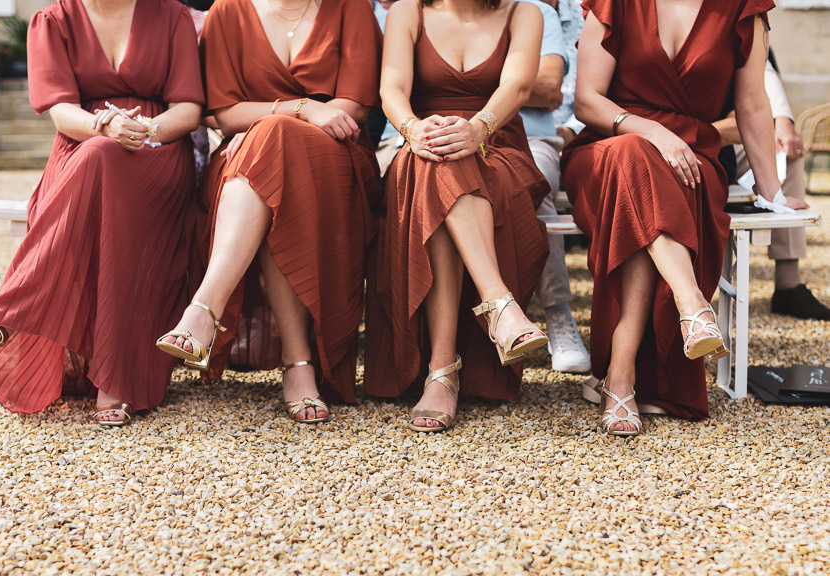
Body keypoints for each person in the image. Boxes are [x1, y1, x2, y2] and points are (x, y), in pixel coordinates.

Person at [561, 0, 803, 435]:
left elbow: (751, 104)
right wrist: (654, 133)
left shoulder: (745, 9)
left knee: (645, 203)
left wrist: (774, 195)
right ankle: (690, 301)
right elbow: (586, 102)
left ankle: (620, 372)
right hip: (608, 148)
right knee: (636, 158)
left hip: (690, 162)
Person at [0, 0, 204, 426]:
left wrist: (144, 130)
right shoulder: (51, 21)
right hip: (82, 143)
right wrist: (105, 127)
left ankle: (14, 305)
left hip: (158, 150)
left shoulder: (173, 16)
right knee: (100, 154)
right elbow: (60, 111)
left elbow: (188, 109)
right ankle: (114, 382)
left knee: (104, 157)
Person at [157, 0, 382, 423]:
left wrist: (290, 118)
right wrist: (302, 107)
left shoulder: (350, 7)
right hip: (247, 157)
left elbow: (353, 107)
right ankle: (299, 367)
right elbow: (223, 115)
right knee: (272, 165)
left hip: (336, 158)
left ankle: (203, 310)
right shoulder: (227, 10)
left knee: (273, 149)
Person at [364, 0, 551, 432]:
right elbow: (391, 88)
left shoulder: (524, 12)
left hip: (498, 147)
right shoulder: (407, 11)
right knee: (435, 162)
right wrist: (412, 130)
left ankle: (442, 371)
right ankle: (499, 306)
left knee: (443, 167)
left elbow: (518, 89)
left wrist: (477, 128)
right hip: (421, 145)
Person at [714, 56, 830, 321]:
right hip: (689, 132)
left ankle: (789, 284)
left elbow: (758, 61)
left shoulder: (744, 19)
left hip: (727, 137)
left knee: (786, 153)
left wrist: (783, 120)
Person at [518, 0, 591, 373]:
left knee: (532, 181)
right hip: (460, 127)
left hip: (566, 133)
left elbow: (553, 90)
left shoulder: (587, 13)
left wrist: (573, 131)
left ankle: (558, 316)